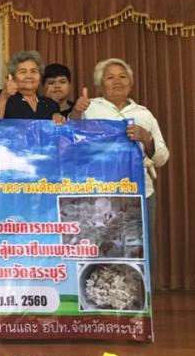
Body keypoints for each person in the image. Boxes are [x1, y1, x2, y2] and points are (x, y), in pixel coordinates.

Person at [71, 58, 169, 260]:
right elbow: (70, 142)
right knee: (101, 245)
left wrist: (146, 138)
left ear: (130, 84)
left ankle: (144, 282)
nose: (117, 81)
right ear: (99, 86)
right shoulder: (88, 108)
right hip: (99, 193)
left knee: (142, 247)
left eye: (122, 77)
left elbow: (161, 158)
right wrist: (76, 113)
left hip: (140, 192)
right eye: (110, 77)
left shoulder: (144, 114)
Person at [0, 50, 62, 121]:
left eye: (33, 71)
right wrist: (4, 96)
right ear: (12, 77)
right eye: (23, 72)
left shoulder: (51, 105)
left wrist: (58, 119)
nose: (29, 76)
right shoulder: (1, 96)